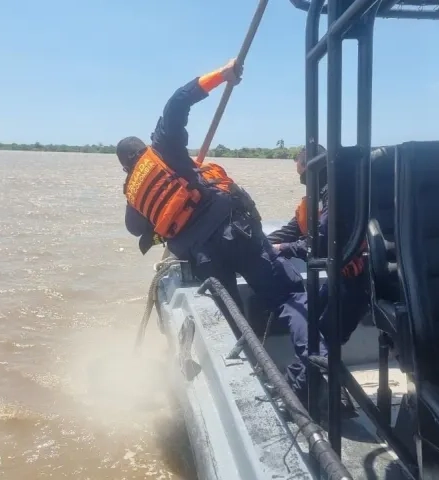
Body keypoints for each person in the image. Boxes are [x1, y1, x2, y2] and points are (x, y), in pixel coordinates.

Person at [117, 59, 309, 372]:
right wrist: (223, 74)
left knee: (234, 323)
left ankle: (253, 374)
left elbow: (139, 231)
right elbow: (178, 100)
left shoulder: (132, 196)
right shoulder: (163, 147)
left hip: (204, 256)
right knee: (287, 297)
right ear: (143, 148)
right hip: (237, 232)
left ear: (126, 167)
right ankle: (316, 370)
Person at [267, 145, 370, 417]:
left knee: (324, 338)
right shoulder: (320, 197)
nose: (301, 180)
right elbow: (291, 230)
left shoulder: (341, 195)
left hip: (360, 281)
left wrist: (286, 250)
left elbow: (321, 243)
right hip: (340, 280)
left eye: (302, 173)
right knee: (310, 319)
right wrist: (262, 245)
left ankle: (307, 395)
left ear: (314, 168)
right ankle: (303, 387)